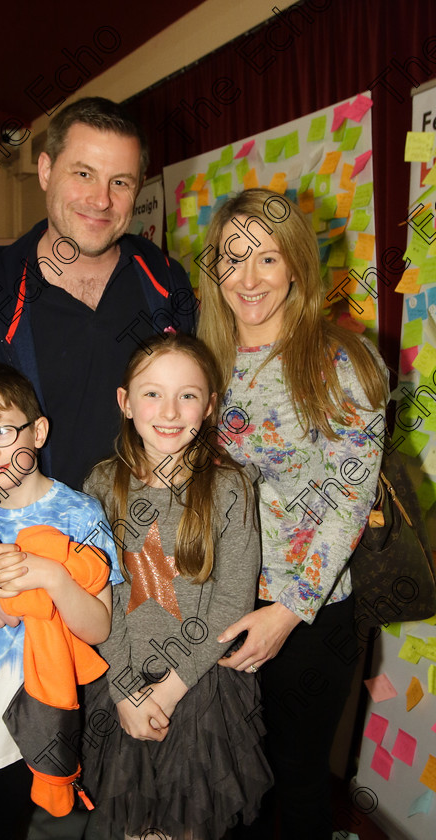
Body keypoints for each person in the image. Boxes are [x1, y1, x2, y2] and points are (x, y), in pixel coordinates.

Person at [0, 96, 196, 622]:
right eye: (84, 173)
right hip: (28, 579)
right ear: (45, 169)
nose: (101, 200)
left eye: (121, 182)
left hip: (148, 571)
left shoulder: (166, 287)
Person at [197, 188, 389, 840]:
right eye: (233, 258)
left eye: (268, 259)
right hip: (214, 605)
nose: (248, 279)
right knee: (231, 781)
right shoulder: (201, 363)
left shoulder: (343, 362)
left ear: (297, 267)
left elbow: (349, 501)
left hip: (311, 616)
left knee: (299, 782)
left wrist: (287, 611)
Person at [80, 332, 273, 840]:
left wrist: (170, 690)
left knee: (187, 826)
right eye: (152, 393)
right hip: (119, 679)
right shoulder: (100, 485)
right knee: (132, 824)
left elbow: (232, 600)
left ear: (209, 406)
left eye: (187, 394)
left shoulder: (231, 487)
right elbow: (97, 597)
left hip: (200, 689)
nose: (170, 410)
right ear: (124, 402)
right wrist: (125, 692)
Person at [0, 361, 122, 840]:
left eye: (3, 433)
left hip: (36, 717)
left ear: (38, 432)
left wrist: (55, 577)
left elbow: (98, 629)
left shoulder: (79, 514)